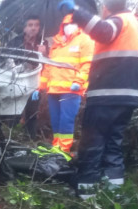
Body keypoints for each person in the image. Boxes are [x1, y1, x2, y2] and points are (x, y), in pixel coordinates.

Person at [58, 0, 138, 199]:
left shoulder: (118, 21)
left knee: (92, 144)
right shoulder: (134, 25)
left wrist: (77, 12)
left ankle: (87, 196)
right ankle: (113, 193)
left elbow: (103, 31)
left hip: (108, 95)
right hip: (127, 97)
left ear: (107, 7)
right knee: (112, 144)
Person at [31, 15, 94, 155]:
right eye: (65, 24)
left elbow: (87, 65)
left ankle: (63, 150)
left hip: (71, 90)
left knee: (66, 120)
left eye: (72, 23)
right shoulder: (57, 44)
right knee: (56, 120)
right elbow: (49, 67)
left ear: (78, 25)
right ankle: (57, 147)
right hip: (54, 90)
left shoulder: (85, 40)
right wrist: (40, 87)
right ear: (62, 26)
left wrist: (79, 81)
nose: (68, 26)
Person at [7, 15, 47, 140]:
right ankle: (10, 136)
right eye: (30, 25)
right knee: (13, 111)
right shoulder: (14, 42)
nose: (33, 28)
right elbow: (8, 61)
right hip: (18, 80)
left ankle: (30, 139)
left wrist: (44, 54)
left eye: (36, 25)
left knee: (32, 112)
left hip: (35, 82)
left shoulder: (43, 43)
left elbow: (48, 65)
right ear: (24, 28)